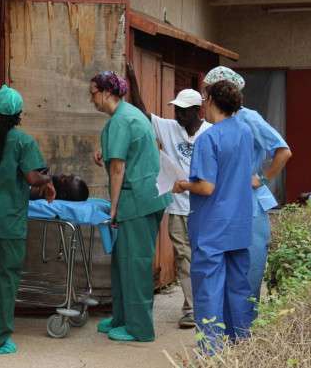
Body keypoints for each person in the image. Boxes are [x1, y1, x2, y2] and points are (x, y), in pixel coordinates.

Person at [0, 85, 56, 355]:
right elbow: (32, 178)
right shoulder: (24, 142)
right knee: (7, 278)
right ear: (19, 114)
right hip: (8, 224)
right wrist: (49, 180)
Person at [125, 62, 211, 329]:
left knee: (205, 258)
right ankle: (191, 309)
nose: (178, 116)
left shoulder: (211, 132)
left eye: (183, 112)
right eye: (176, 110)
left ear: (197, 111)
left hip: (204, 208)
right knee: (184, 259)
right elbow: (142, 112)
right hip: (177, 209)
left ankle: (209, 306)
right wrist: (133, 80)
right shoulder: (170, 127)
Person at [89, 70, 171, 342]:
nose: (91, 99)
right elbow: (129, 152)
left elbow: (117, 169)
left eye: (93, 93)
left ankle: (140, 329)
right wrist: (107, 149)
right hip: (145, 197)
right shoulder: (129, 114)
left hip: (137, 201)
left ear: (107, 93)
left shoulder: (121, 121)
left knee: (134, 264)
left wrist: (112, 209)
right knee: (122, 263)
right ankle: (123, 317)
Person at [174, 80, 255, 352]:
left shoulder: (208, 137)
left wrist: (183, 184)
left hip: (212, 229)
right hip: (239, 225)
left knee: (208, 293)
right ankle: (242, 348)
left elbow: (206, 187)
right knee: (239, 291)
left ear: (210, 101)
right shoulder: (245, 132)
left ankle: (211, 354)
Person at [202, 67, 292, 308]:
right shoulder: (220, 122)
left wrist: (262, 178)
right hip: (230, 206)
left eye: (206, 93)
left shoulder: (248, 118)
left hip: (250, 207)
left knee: (247, 277)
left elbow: (283, 151)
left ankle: (245, 334)